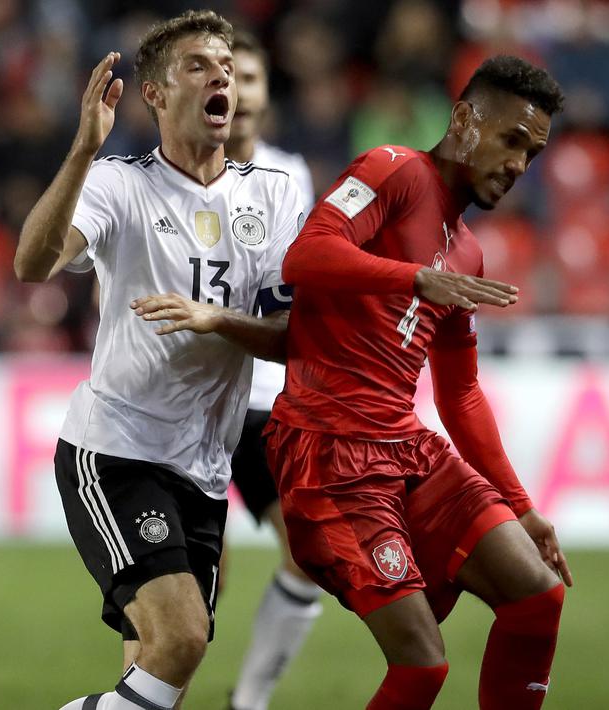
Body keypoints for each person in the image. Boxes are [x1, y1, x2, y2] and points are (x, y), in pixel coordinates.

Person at [12, 11, 303, 710]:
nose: (220, 78)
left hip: (203, 464)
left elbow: (291, 336)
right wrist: (82, 150)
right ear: (155, 93)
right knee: (182, 638)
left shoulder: (272, 193)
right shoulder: (118, 184)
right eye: (198, 66)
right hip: (117, 449)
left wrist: (216, 319)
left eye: (226, 68)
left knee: (160, 674)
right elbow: (32, 264)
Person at [266, 55, 573, 710]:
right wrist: (414, 278)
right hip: (327, 452)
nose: (520, 164)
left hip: (402, 444)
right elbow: (306, 254)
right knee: (422, 667)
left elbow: (460, 394)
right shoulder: (393, 169)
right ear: (463, 120)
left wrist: (521, 506)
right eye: (512, 140)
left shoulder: (466, 252)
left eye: (533, 153)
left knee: (538, 594)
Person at [221, 31, 320, 710]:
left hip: (263, 400)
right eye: (227, 79)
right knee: (194, 582)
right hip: (190, 398)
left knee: (309, 551)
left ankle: (247, 701)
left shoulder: (291, 176)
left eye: (250, 78)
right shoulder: (166, 171)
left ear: (265, 93)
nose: (238, 92)